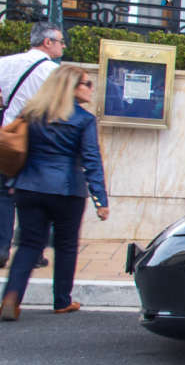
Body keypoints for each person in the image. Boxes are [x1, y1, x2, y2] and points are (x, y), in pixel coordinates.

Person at [0, 65, 109, 321]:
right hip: (66, 190)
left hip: (29, 187)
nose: (91, 89)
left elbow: (20, 147)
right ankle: (62, 301)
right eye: (87, 84)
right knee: (66, 245)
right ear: (71, 87)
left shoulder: (33, 113)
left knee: (28, 245)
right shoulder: (83, 119)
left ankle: (11, 297)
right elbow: (91, 160)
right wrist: (100, 200)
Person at [0, 22, 63, 268]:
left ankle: (2, 247)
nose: (63, 45)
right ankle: (33, 252)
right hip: (38, 142)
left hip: (9, 137)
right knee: (36, 198)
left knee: (3, 194)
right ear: (47, 42)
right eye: (60, 41)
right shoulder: (52, 72)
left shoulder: (6, 62)